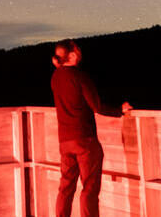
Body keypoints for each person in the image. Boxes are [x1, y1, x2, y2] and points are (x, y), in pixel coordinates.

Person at [49, 39, 132, 217]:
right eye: (77, 49)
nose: (80, 51)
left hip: (65, 141)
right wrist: (119, 110)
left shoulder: (56, 78)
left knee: (65, 188)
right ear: (71, 55)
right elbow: (97, 106)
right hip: (84, 140)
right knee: (89, 189)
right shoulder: (80, 76)